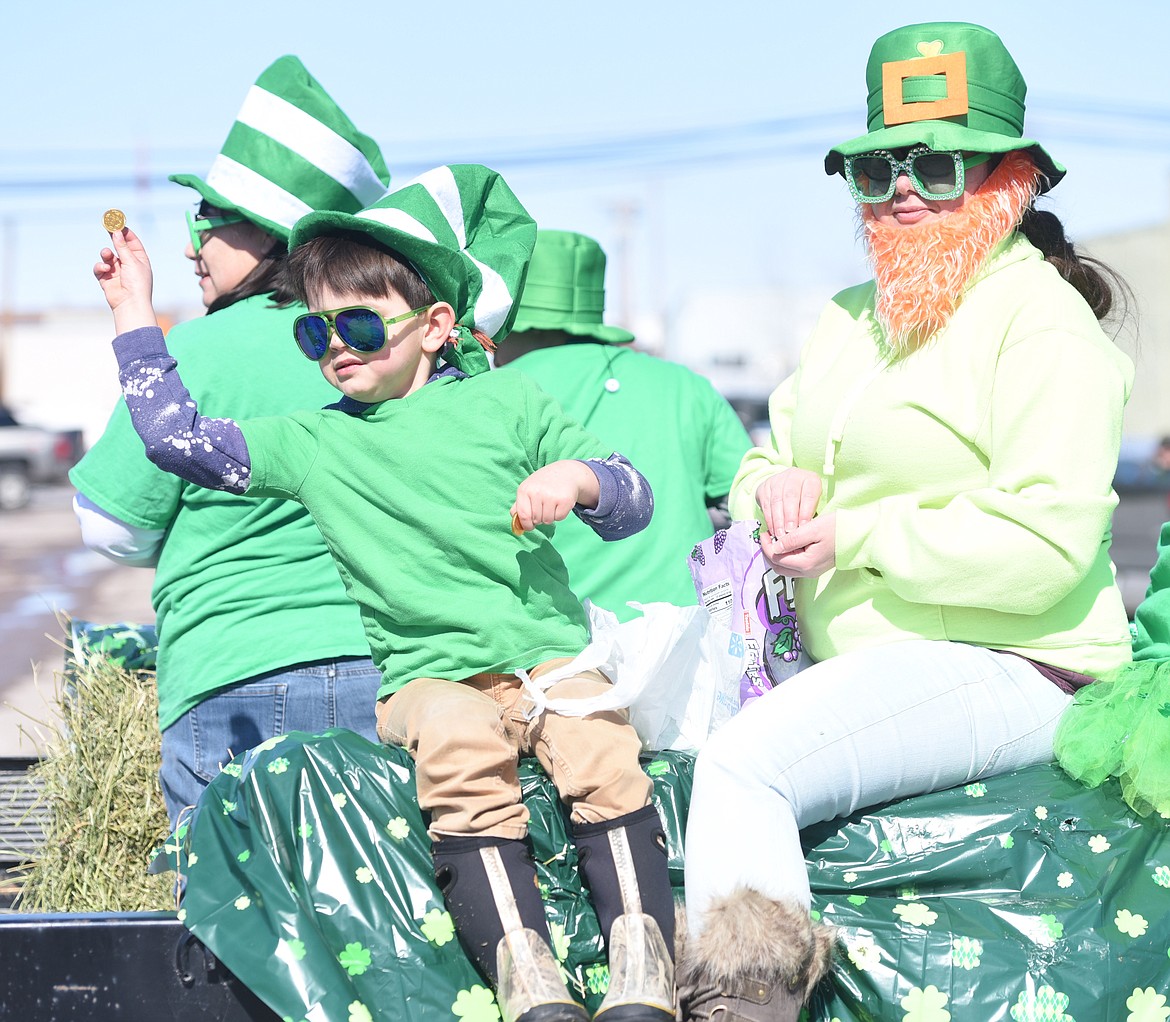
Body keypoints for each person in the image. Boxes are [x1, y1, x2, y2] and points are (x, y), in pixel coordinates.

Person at [93, 165, 677, 1022]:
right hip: (429, 678)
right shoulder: (316, 440)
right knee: (455, 750)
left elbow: (633, 499)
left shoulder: (512, 402)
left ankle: (643, 976)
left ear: (437, 326)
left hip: (551, 663)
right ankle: (531, 986)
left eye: (360, 323)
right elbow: (178, 440)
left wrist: (580, 477)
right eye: (315, 331)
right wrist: (134, 318)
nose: (336, 346)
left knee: (600, 748)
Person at [676, 23, 1135, 1022]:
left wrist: (857, 533)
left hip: (1023, 661)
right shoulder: (850, 313)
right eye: (878, 165)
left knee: (744, 763)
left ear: (1012, 176)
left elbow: (1047, 547)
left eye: (939, 161)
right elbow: (769, 455)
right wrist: (775, 489)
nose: (902, 187)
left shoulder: (1043, 322)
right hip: (864, 662)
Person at [68, 56, 392, 828]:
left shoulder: (201, 350)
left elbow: (110, 527)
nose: (191, 247)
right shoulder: (391, 350)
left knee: (243, 930)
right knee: (383, 921)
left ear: (272, 232)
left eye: (208, 220)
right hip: (390, 676)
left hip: (235, 677)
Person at [495, 229, 751, 619]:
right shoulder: (687, 385)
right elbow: (745, 499)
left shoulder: (492, 392)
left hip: (555, 645)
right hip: (686, 635)